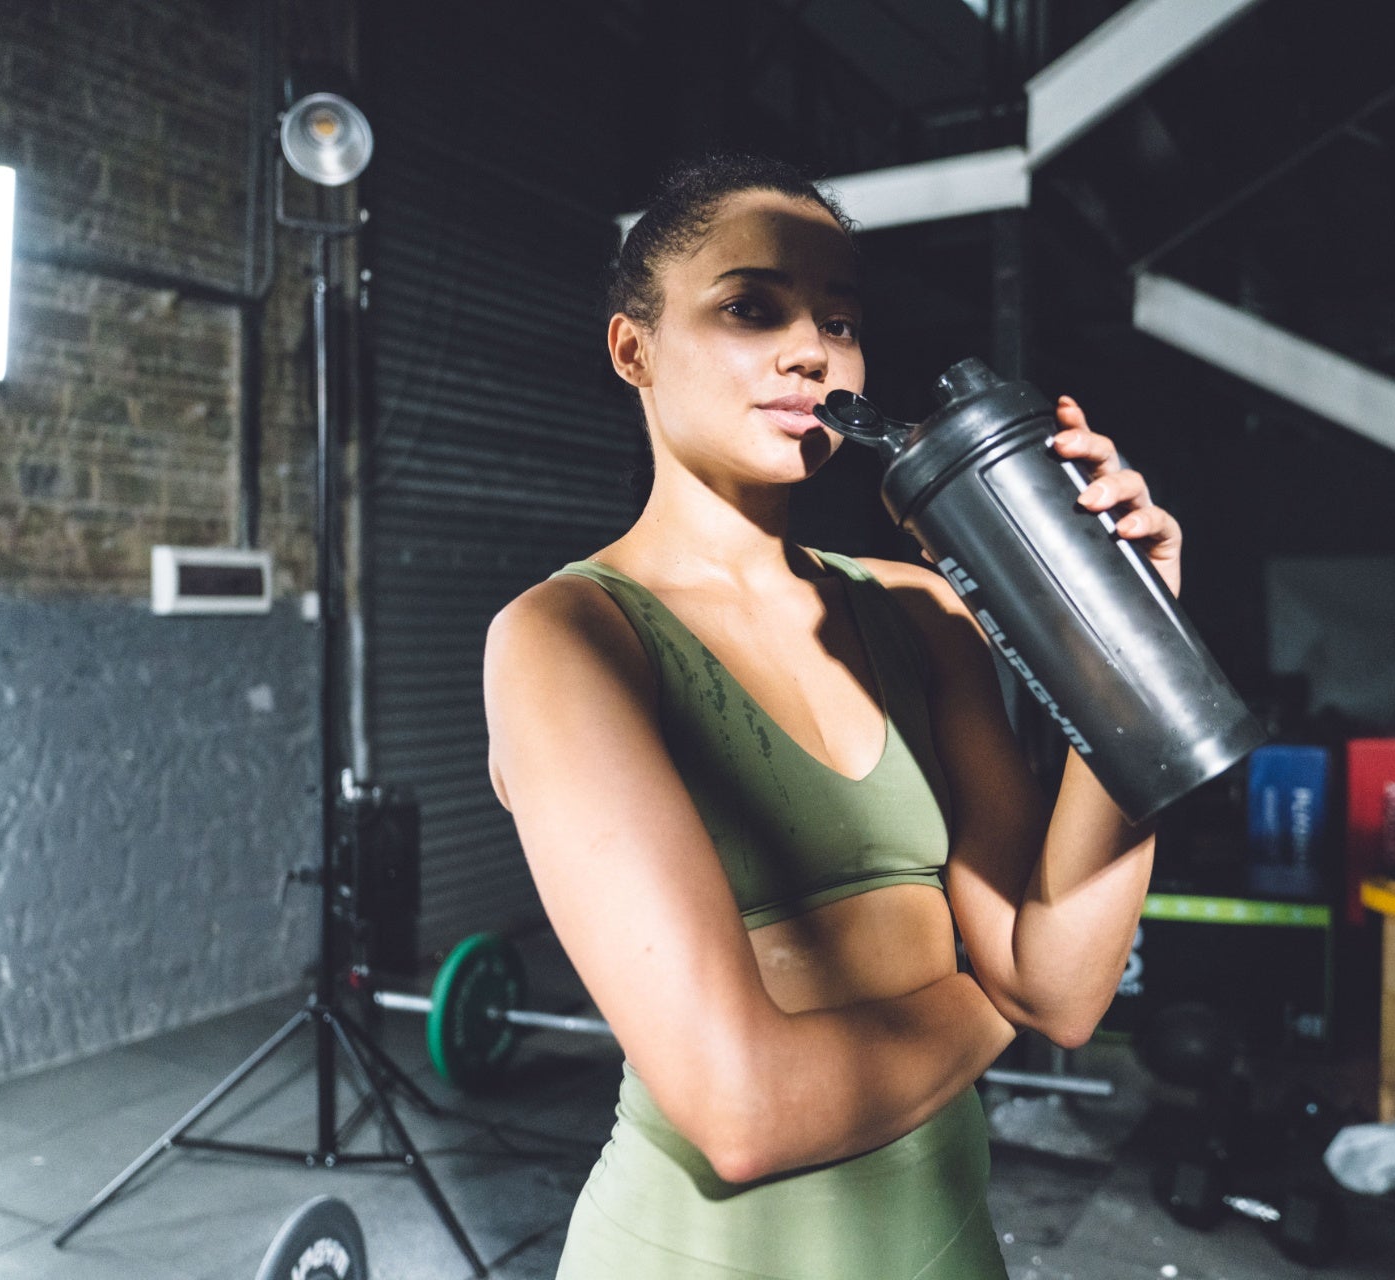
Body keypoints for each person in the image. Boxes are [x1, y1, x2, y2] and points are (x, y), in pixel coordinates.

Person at [483, 153, 1184, 1279]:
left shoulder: (920, 607)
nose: (813, 352)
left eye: (841, 321)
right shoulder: (568, 638)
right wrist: (1007, 991)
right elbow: (743, 1105)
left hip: (946, 1245)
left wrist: (1126, 644)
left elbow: (1070, 976)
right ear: (634, 349)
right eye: (751, 306)